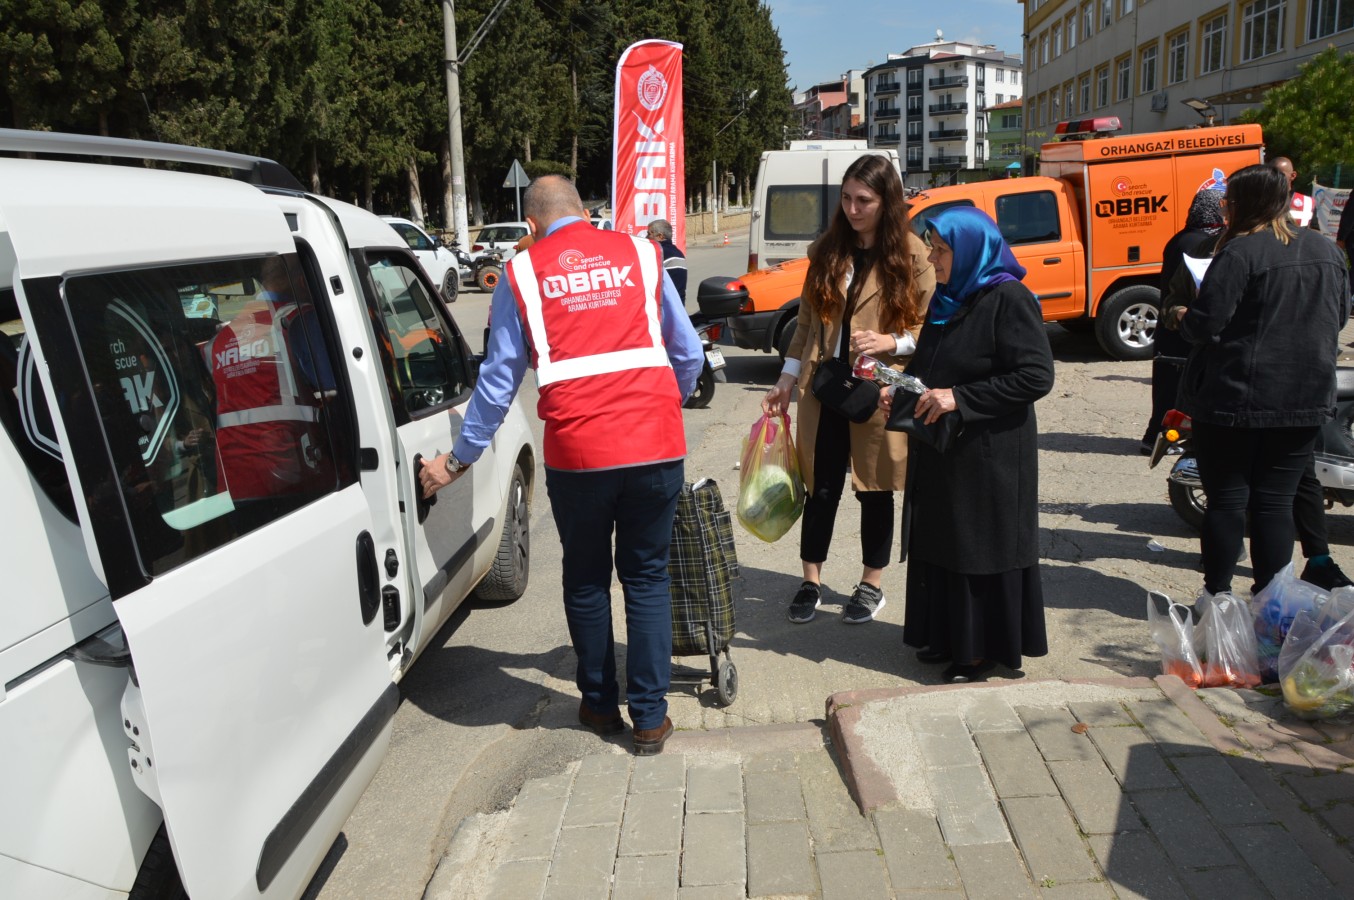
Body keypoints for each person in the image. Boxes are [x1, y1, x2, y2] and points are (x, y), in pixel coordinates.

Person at [418, 175, 703, 756]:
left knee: (588, 579)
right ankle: (650, 719)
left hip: (580, 455)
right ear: (583, 211)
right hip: (655, 444)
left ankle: (600, 705)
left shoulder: (520, 274)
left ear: (532, 226)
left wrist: (457, 460)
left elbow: (498, 383)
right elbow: (689, 354)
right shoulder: (643, 254)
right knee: (647, 578)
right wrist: (663, 404)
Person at [880, 206, 1054, 684]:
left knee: (977, 547)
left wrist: (961, 397)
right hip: (943, 447)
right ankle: (945, 636)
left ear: (973, 250)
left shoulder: (1008, 298)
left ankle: (978, 651)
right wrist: (899, 388)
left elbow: (1036, 376)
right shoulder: (947, 298)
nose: (933, 259)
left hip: (990, 450)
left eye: (941, 250)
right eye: (933, 249)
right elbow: (932, 365)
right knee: (942, 542)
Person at [761, 153, 934, 626]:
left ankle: (870, 585)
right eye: (847, 198)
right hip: (824, 388)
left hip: (877, 388)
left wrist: (889, 341)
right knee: (819, 487)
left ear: (887, 202)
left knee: (874, 489)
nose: (853, 208)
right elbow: (805, 326)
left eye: (865, 200)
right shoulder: (827, 251)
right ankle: (810, 580)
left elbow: (930, 329)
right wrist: (786, 379)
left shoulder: (913, 256)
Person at [1176, 164, 1351, 600]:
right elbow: (1341, 314)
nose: (1225, 209)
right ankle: (1270, 605)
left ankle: (1217, 599)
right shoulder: (1327, 252)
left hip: (1237, 399)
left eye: (1229, 201)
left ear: (1245, 204)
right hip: (1305, 397)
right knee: (1275, 504)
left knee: (1229, 502)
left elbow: (1205, 324)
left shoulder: (1240, 252)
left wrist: (1180, 315)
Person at [1144, 187, 1226, 453]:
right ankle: (1166, 438)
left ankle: (1156, 436)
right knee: (1178, 388)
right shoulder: (1200, 243)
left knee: (1166, 386)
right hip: (1182, 325)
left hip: (1171, 327)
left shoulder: (1180, 238)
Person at [646, 218, 688, 303]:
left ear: (660, 236)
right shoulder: (677, 252)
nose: (646, 237)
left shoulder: (657, 252)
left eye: (649, 234)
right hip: (677, 307)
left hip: (663, 308)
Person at [1272, 157, 1315, 229]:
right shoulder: (1262, 201)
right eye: (1272, 174)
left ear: (1293, 175)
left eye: (1280, 174)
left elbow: (1315, 230)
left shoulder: (1307, 202)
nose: (1274, 178)